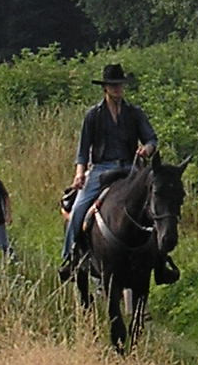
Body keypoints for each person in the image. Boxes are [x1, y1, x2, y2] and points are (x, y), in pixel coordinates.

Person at [59, 62, 158, 278]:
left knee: (155, 207)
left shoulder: (134, 113)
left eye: (120, 85)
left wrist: (147, 149)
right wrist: (79, 174)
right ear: (105, 88)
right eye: (113, 85)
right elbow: (83, 150)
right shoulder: (93, 115)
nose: (117, 89)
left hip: (130, 167)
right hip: (102, 169)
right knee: (78, 209)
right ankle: (71, 256)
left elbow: (151, 138)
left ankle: (159, 261)